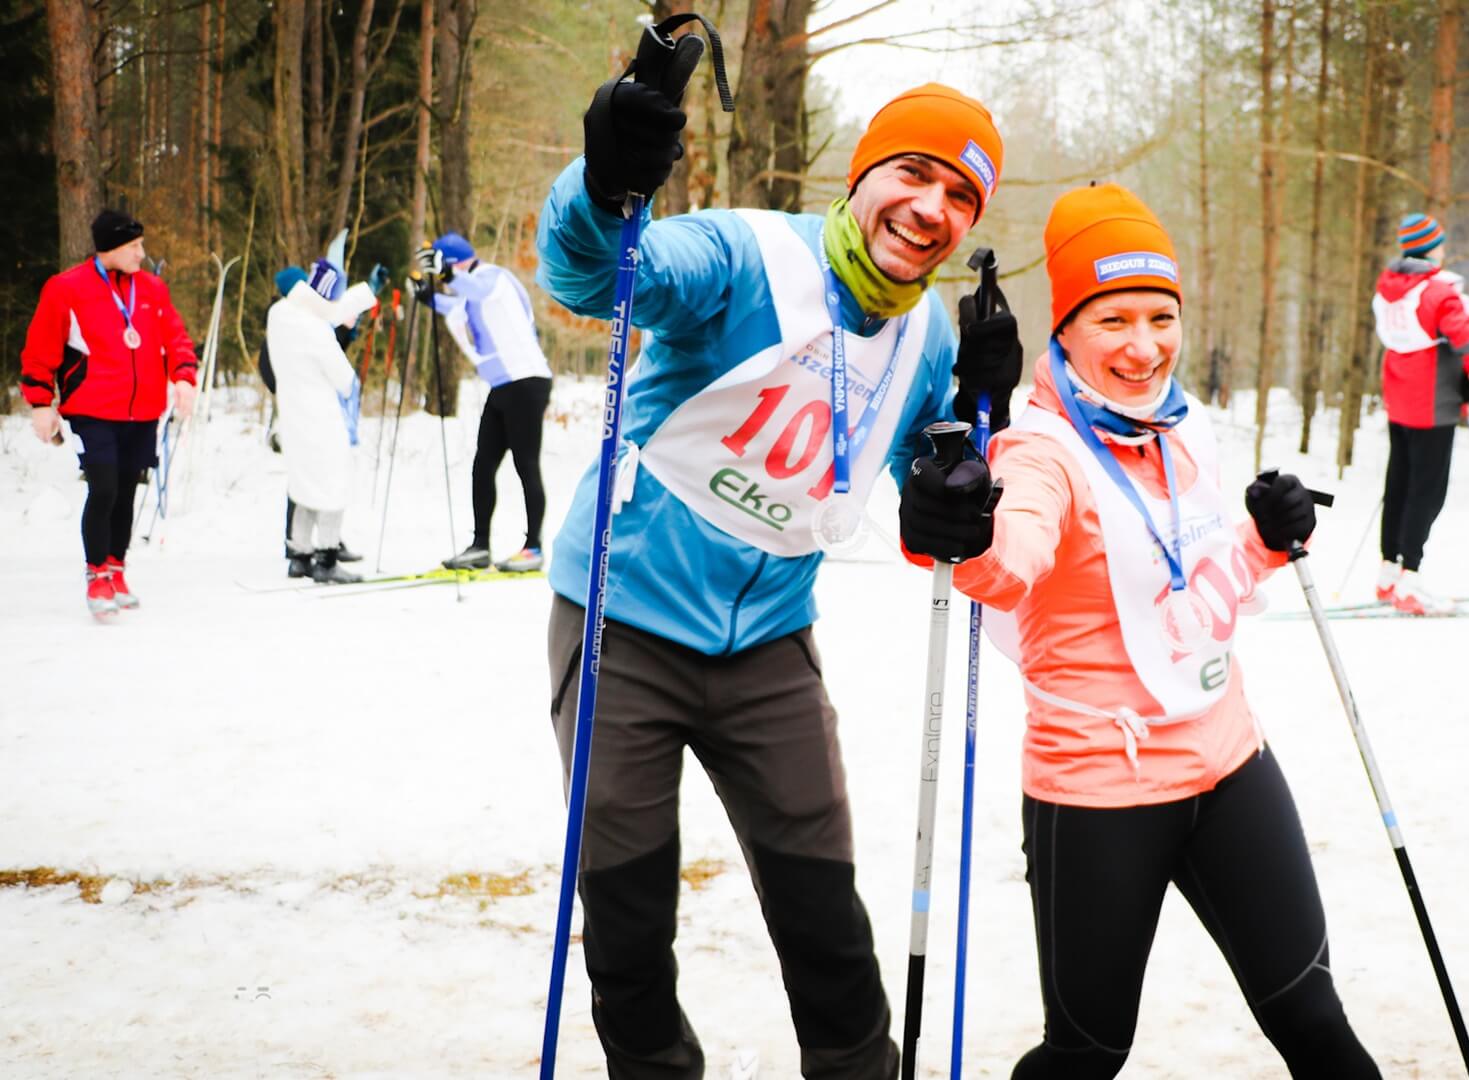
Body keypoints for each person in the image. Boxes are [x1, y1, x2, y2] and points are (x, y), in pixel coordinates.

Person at [536, 79, 1021, 1079]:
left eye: (961, 197)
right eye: (914, 173)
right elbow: (597, 277)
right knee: (629, 910)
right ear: (865, 176)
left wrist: (963, 475)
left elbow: (927, 500)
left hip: (770, 645)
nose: (933, 207)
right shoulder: (745, 252)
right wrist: (605, 187)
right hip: (621, 620)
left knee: (824, 914)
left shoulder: (928, 335)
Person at [898, 183, 1380, 1079]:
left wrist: (1265, 540)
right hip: (1097, 790)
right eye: (1113, 318)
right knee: (1086, 1053)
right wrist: (958, 529)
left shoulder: (1176, 428)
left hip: (1229, 763)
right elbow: (1008, 564)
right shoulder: (1040, 450)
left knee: (1314, 1021)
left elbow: (1178, 580)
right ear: (1067, 331)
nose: (1144, 345)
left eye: (1162, 317)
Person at [20, 210, 199, 619]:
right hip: (92, 408)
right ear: (112, 248)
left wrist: (184, 378)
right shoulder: (66, 288)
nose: (142, 252)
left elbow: (176, 337)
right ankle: (96, 572)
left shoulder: (152, 288)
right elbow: (40, 350)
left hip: (142, 409)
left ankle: (117, 567)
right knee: (102, 487)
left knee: (126, 490)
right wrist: (41, 403)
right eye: (134, 246)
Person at [1368, 212, 1469, 615]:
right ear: (1430, 246)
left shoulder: (1389, 288)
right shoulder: (1439, 291)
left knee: (1399, 484)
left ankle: (1388, 574)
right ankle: (1411, 581)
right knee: (1428, 490)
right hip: (1433, 404)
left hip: (1399, 399)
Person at [413, 232, 554, 573]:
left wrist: (445, 276)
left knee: (526, 465)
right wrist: (427, 296)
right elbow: (456, 305)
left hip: (526, 381)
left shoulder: (493, 278)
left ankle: (533, 548)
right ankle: (480, 546)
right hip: (501, 386)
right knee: (483, 464)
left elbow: (474, 289)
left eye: (445, 267)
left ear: (454, 262)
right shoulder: (468, 287)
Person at [265, 258, 379, 583]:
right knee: (333, 482)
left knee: (302, 482)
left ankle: (299, 554)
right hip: (321, 415)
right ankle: (327, 558)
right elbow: (343, 377)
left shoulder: (278, 316)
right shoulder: (312, 326)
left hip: (291, 414)